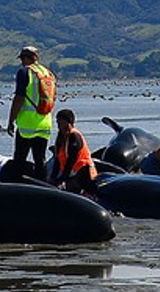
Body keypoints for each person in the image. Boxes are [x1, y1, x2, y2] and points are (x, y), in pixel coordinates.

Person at [7, 45, 55, 181]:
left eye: (23, 58)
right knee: (40, 159)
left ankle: (17, 188)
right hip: (45, 122)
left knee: (19, 160)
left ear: (28, 58)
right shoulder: (47, 73)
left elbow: (19, 98)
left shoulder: (24, 72)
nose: (22, 61)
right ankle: (43, 188)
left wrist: (11, 120)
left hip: (27, 124)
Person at [49, 108, 97, 195]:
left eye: (61, 121)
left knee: (81, 191)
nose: (58, 124)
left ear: (68, 122)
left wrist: (63, 178)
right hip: (72, 173)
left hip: (84, 172)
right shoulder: (61, 136)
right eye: (57, 121)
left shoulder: (74, 136)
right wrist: (53, 178)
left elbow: (72, 159)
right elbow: (57, 159)